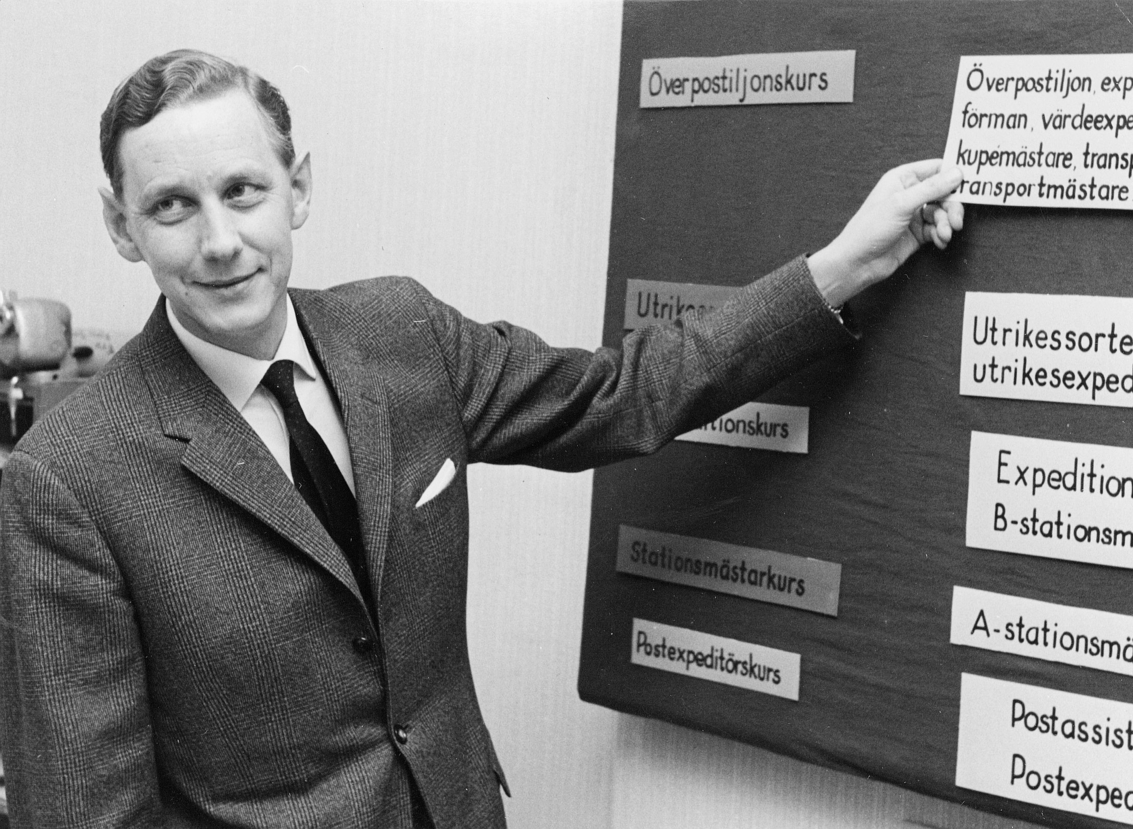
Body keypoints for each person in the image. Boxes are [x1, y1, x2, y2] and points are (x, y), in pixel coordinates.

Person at [0, 49, 963, 828]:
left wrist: (844, 267)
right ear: (121, 225)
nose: (218, 240)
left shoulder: (403, 335)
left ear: (299, 188)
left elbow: (623, 395)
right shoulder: (66, 480)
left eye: (243, 190)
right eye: (172, 205)